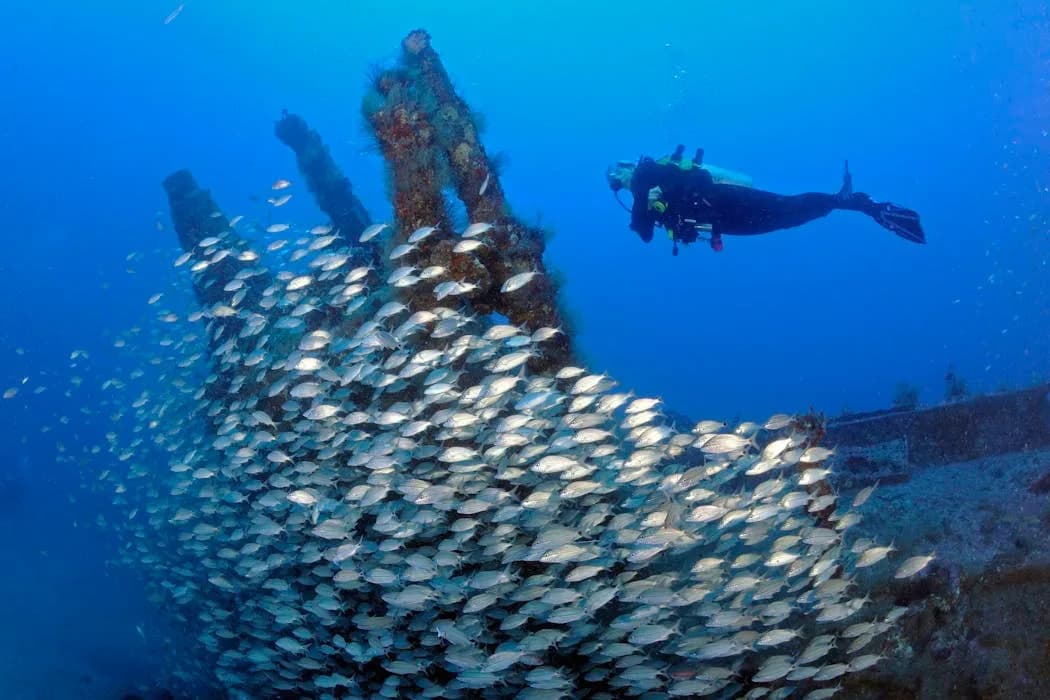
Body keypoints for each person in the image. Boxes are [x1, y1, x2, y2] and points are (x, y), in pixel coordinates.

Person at [607, 145, 925, 255]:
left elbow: (642, 229)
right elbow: (648, 231)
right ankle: (850, 202)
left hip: (721, 202)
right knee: (783, 217)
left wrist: (638, 196)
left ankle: (851, 202)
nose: (619, 181)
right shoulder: (646, 189)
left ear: (626, 168)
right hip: (720, 220)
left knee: (784, 210)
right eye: (616, 180)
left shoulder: (646, 174)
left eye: (618, 175)